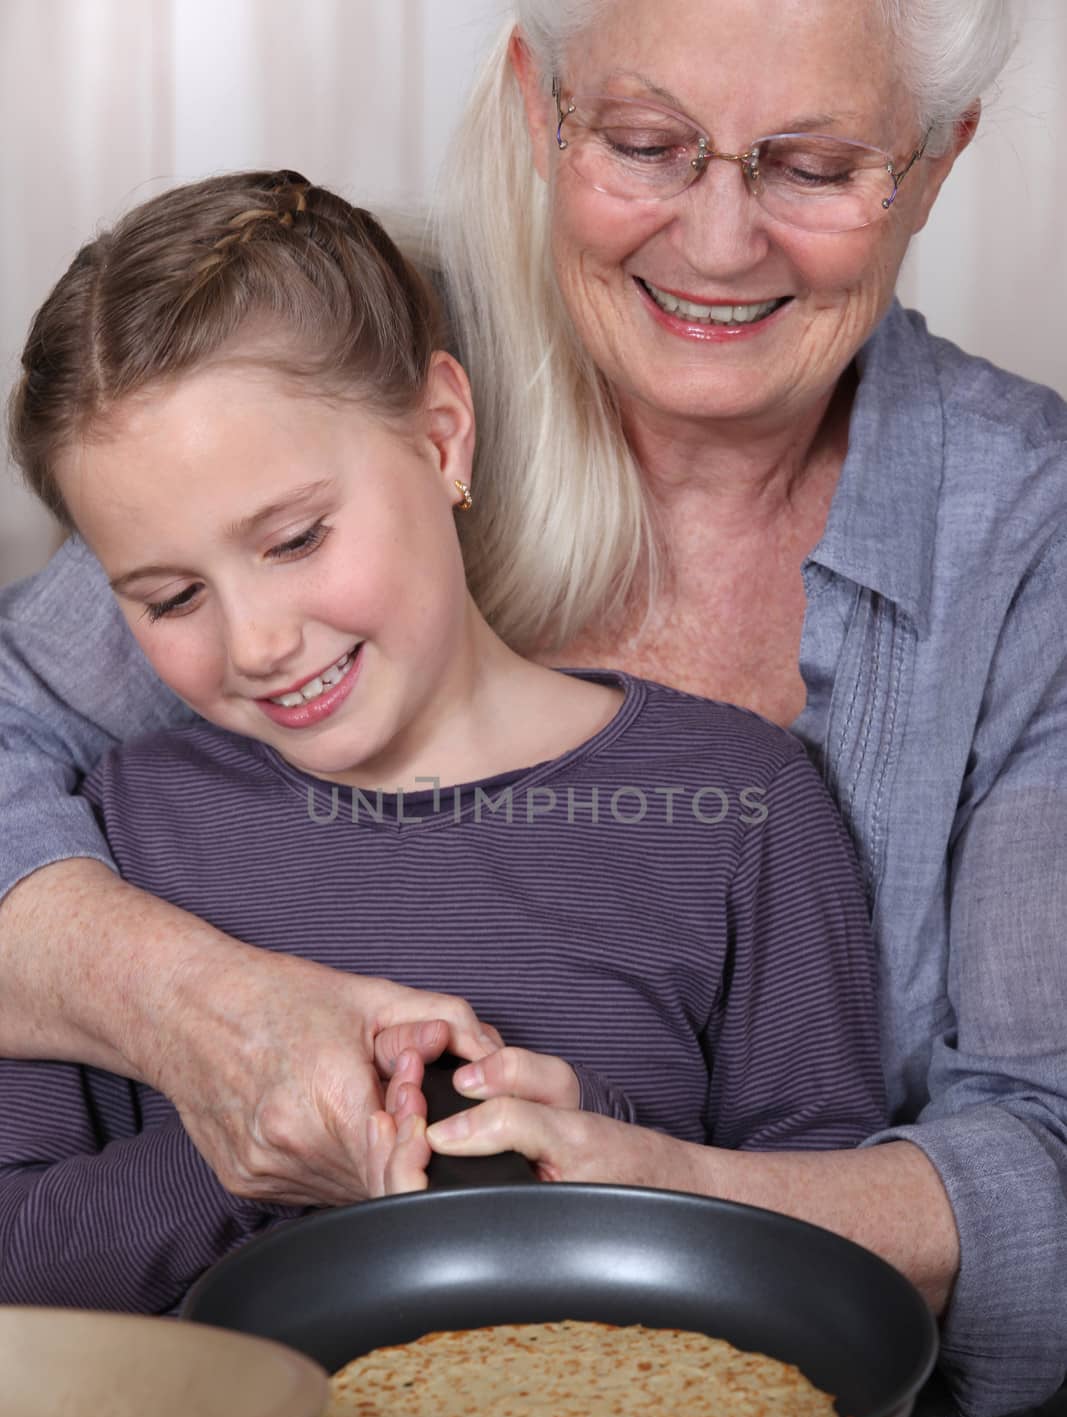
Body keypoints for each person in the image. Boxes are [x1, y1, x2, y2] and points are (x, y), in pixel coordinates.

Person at [0, 0, 1062, 1417]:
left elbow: (859, 1252)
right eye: (643, 145)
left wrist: (603, 1170)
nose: (713, 240)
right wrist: (219, 1051)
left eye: (809, 166)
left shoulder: (760, 792)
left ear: (932, 169)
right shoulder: (129, 788)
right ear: (538, 109)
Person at [0, 170, 883, 1313]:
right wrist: (251, 1130)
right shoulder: (113, 833)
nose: (258, 641)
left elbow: (833, 1278)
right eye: (170, 599)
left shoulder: (739, 806)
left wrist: (567, 1149)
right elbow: (19, 1266)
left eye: (296, 538)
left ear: (440, 436)